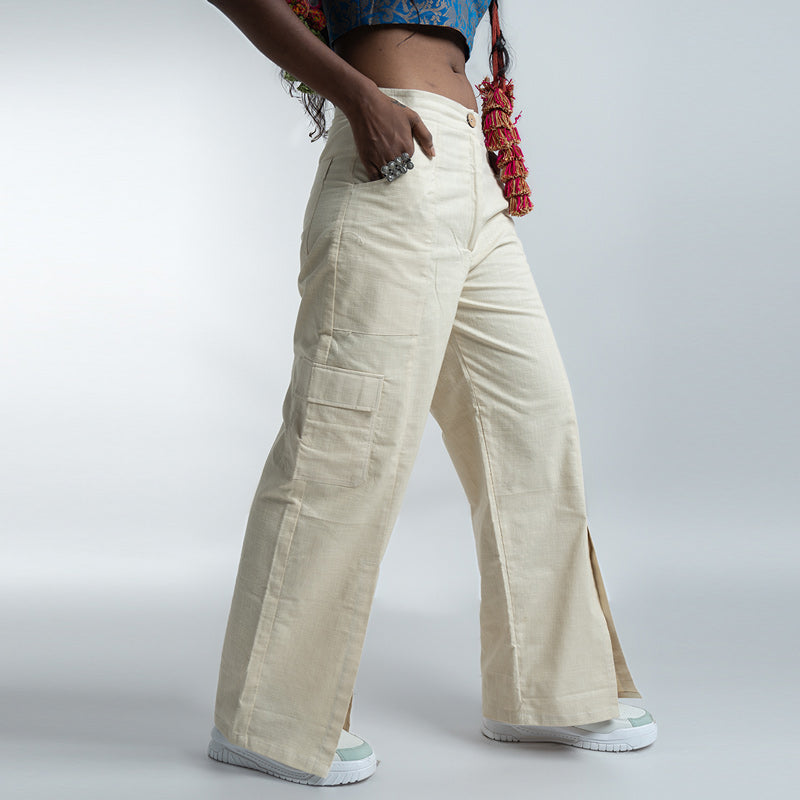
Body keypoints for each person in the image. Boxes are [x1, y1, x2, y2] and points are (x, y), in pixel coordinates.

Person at [203, 0, 657, 787]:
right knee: (346, 439)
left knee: (532, 423)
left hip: (469, 168)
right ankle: (267, 721)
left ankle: (546, 693)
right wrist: (359, 99)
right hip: (388, 155)